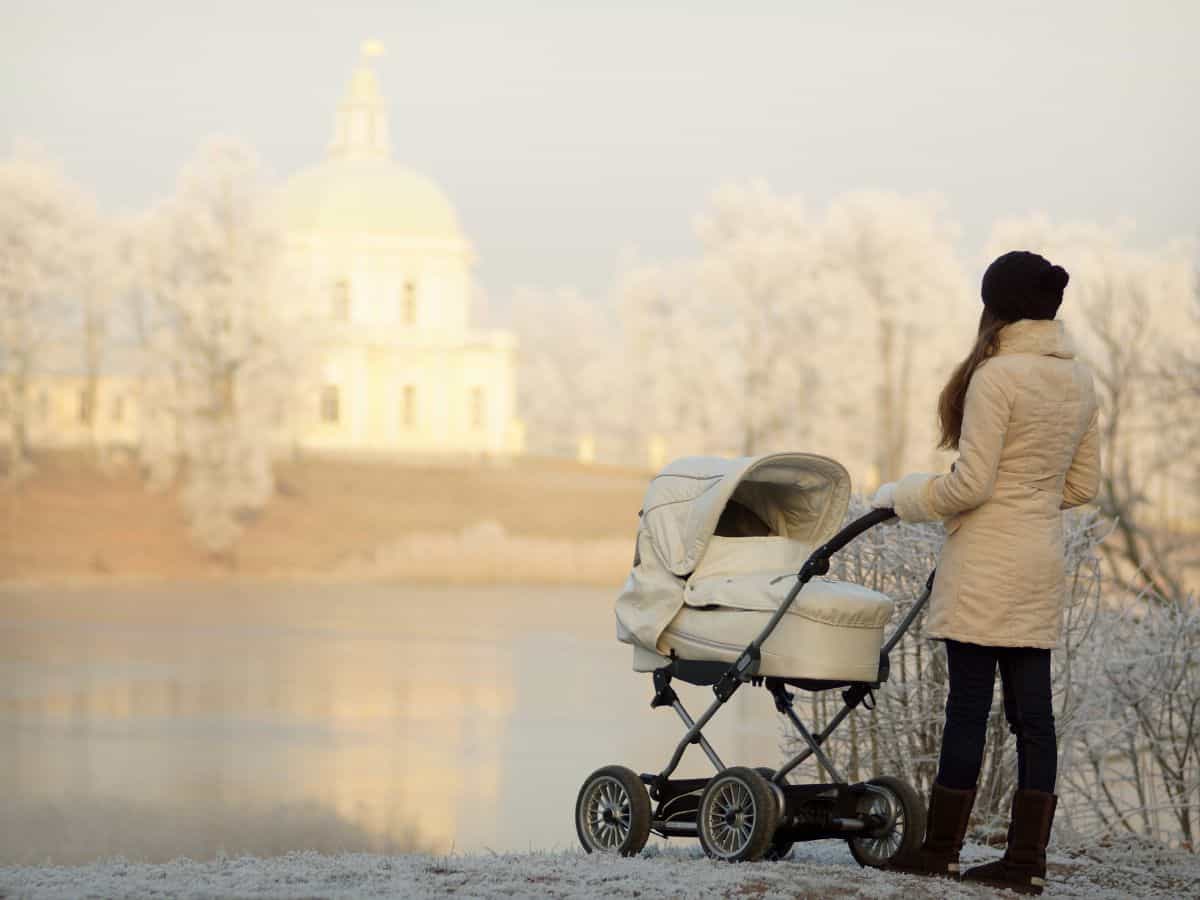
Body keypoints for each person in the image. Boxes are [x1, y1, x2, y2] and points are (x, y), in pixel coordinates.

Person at [870, 250, 1101, 896]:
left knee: (967, 708)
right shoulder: (1080, 381)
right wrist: (1028, 500)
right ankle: (1027, 862)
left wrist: (907, 497)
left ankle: (941, 850)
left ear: (994, 307)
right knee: (1035, 716)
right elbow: (1082, 485)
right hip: (1037, 562)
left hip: (984, 565)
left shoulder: (995, 378)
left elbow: (968, 486)